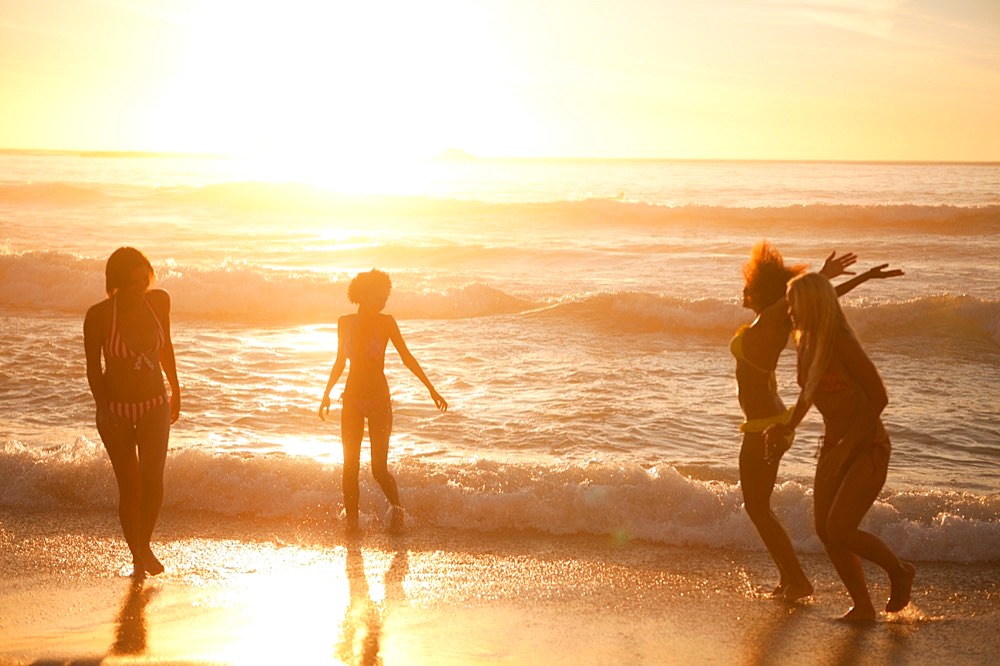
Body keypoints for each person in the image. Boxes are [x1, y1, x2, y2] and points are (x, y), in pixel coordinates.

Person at [733, 242, 901, 601]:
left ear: (764, 290)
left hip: (765, 421)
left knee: (758, 507)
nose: (743, 290)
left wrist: (826, 276)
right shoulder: (774, 321)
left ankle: (797, 580)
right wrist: (855, 278)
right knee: (763, 508)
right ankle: (793, 579)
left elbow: (816, 299)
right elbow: (814, 303)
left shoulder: (777, 317)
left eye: (750, 284)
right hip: (770, 420)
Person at [764, 272, 915, 621]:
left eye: (795, 303)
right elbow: (809, 391)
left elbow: (879, 396)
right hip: (834, 445)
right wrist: (786, 425)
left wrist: (848, 447)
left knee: (841, 529)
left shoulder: (840, 341)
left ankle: (899, 571)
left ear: (813, 305)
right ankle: (863, 606)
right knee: (825, 530)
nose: (790, 310)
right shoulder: (805, 342)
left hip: (867, 446)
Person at [319, 269, 447, 531]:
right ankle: (352, 526)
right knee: (350, 466)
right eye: (380, 295)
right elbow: (340, 361)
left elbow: (406, 358)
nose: (384, 301)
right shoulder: (345, 323)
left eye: (386, 296)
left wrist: (431, 389)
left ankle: (398, 513)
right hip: (351, 400)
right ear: (364, 295)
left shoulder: (387, 322)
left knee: (378, 469)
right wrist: (326, 393)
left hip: (379, 401)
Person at [84, 247, 181, 576]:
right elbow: (94, 370)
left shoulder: (159, 302)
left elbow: (166, 346)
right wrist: (102, 407)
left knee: (153, 480)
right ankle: (138, 557)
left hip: (155, 403)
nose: (143, 285)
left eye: (146, 277)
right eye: (135, 281)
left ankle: (142, 546)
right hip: (117, 410)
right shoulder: (98, 316)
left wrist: (176, 389)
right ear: (117, 283)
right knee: (131, 487)